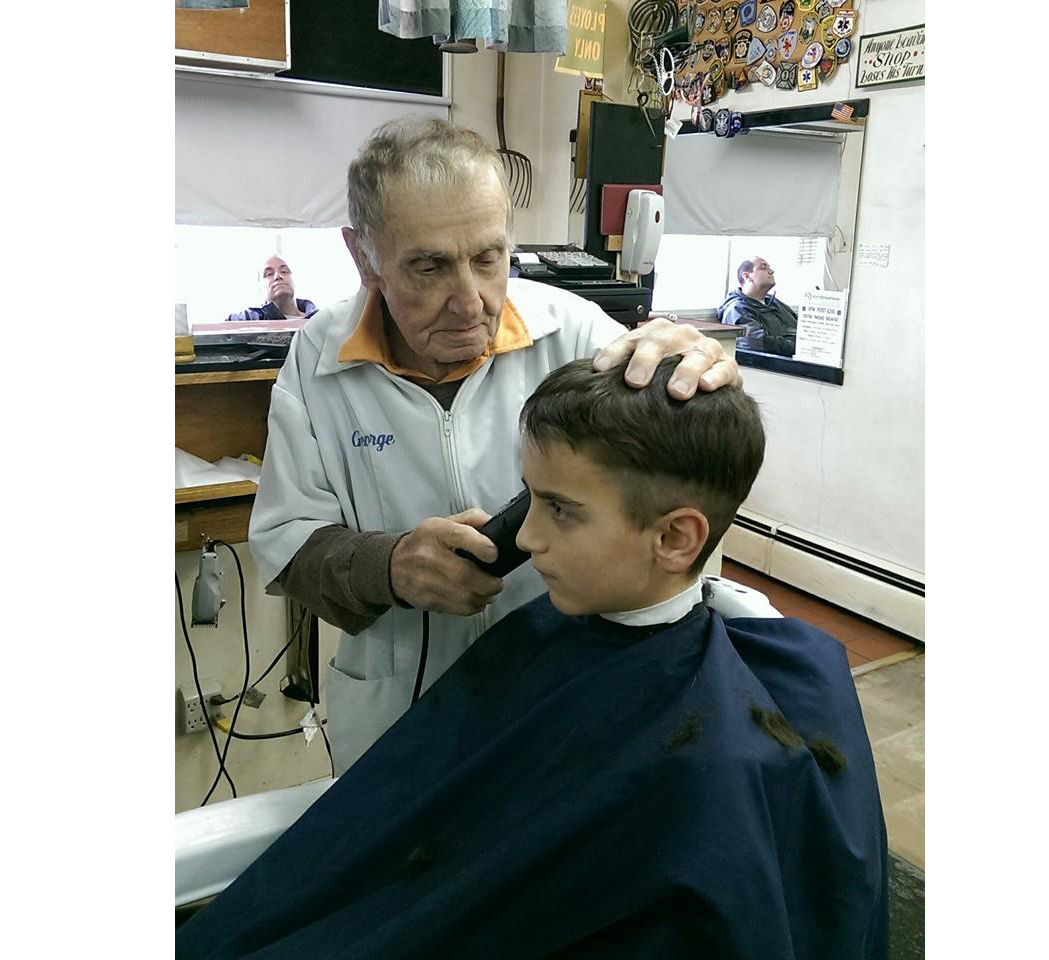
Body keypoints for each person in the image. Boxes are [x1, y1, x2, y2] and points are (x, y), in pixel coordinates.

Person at [178, 357, 888, 959]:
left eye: (560, 509)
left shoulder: (711, 761)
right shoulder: (545, 637)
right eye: (530, 501)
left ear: (676, 539)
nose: (526, 539)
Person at [247, 117, 742, 776]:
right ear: (363, 257)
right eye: (428, 266)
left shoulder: (573, 334)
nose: (469, 302)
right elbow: (286, 544)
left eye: (489, 258)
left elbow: (686, 459)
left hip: (563, 698)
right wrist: (389, 567)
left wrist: (700, 369)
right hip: (401, 714)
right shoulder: (318, 358)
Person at [718, 256, 799, 357]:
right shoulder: (737, 309)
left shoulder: (775, 303)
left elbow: (801, 326)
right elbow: (756, 342)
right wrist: (799, 347)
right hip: (775, 363)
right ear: (747, 276)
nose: (771, 271)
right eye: (763, 268)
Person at [225, 255, 318, 322]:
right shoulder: (249, 318)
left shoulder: (320, 320)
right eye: (269, 274)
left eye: (284, 271)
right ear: (260, 288)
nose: (278, 276)